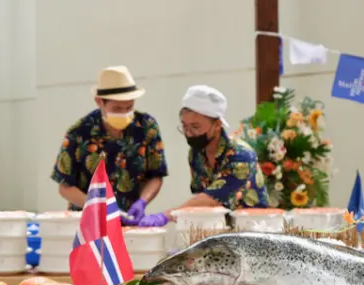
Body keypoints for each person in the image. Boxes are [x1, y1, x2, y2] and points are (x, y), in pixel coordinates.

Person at [50, 65, 169, 225]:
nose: (124, 113)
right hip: (89, 225)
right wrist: (100, 208)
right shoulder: (79, 133)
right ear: (100, 102)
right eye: (117, 108)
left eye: (129, 107)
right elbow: (65, 187)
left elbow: (156, 176)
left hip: (129, 222)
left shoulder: (146, 127)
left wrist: (142, 201)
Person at [138, 85, 269, 227]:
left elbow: (211, 198)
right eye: (185, 126)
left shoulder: (241, 156)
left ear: (217, 125)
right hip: (219, 230)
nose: (188, 133)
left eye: (195, 127)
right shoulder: (196, 154)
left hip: (253, 230)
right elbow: (200, 198)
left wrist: (168, 215)